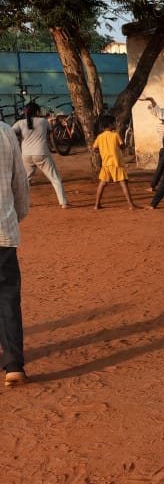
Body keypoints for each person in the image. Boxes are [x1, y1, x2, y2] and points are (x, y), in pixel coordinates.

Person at [0, 120, 29, 386]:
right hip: (2, 230)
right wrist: (14, 217)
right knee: (7, 296)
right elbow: (19, 179)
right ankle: (13, 365)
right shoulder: (4, 131)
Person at [11, 103, 68, 209]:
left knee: (26, 180)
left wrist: (20, 137)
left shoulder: (20, 123)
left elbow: (11, 132)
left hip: (26, 154)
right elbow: (51, 130)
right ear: (37, 111)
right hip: (42, 153)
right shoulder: (43, 121)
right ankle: (63, 203)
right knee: (55, 178)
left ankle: (23, 203)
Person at [91, 115, 138, 210]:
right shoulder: (115, 134)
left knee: (102, 184)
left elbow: (94, 149)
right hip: (117, 162)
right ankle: (131, 205)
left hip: (106, 163)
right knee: (123, 183)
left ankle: (96, 205)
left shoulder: (100, 137)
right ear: (110, 124)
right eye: (114, 123)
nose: (115, 124)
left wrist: (102, 151)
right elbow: (122, 145)